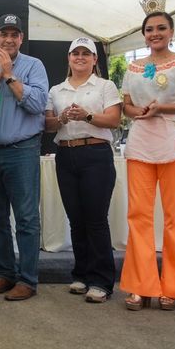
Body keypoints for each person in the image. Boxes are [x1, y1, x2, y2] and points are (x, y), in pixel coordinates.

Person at [120, 0, 175, 312]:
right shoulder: (132, 68)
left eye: (161, 28)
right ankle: (140, 286)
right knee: (138, 217)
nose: (154, 33)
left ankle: (172, 286)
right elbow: (127, 106)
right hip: (141, 144)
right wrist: (137, 111)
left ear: (171, 31)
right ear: (143, 35)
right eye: (149, 29)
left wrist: (164, 107)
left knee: (174, 218)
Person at [45, 37, 121, 304]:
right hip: (66, 154)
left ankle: (102, 280)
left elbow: (114, 120)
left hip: (95, 154)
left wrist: (87, 116)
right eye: (75, 53)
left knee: (96, 219)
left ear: (94, 59)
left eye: (85, 54)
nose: (80, 57)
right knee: (76, 218)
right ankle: (82, 274)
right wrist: (62, 118)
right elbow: (49, 125)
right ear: (68, 58)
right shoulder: (56, 90)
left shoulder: (105, 86)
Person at [0, 14, 48, 301]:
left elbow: (36, 104)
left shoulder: (34, 66)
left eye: (14, 34)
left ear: (21, 39)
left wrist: (8, 74)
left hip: (21, 152)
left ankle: (28, 279)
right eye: (3, 34)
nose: (8, 39)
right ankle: (5, 274)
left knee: (26, 218)